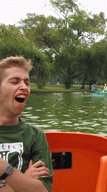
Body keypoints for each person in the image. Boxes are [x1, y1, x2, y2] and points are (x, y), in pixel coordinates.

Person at [0, 56, 53, 192]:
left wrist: (4, 169)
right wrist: (23, 179)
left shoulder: (35, 136)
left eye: (27, 82)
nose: (24, 87)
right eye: (15, 82)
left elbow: (42, 190)